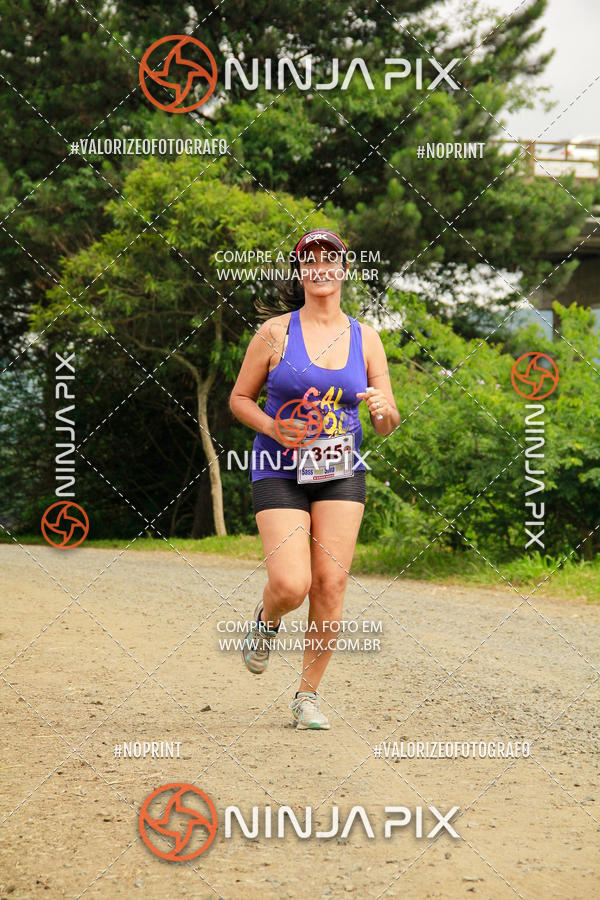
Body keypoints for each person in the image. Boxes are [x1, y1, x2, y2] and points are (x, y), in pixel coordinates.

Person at [229, 229, 399, 729]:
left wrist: (387, 411)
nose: (320, 268)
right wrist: (271, 425)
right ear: (301, 272)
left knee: (330, 584)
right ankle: (267, 620)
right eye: (311, 261)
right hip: (279, 467)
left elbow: (386, 421)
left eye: (330, 260)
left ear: (344, 270)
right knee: (290, 584)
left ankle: (307, 697)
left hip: (340, 469)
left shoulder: (366, 338)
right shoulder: (274, 333)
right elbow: (239, 399)